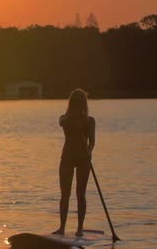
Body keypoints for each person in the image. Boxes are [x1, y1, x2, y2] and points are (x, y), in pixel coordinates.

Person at [52, 88, 95, 237]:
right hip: (67, 158)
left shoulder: (90, 121)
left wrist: (89, 152)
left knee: (80, 194)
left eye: (80, 103)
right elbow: (61, 122)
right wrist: (73, 117)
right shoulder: (65, 118)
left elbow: (92, 142)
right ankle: (62, 227)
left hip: (83, 159)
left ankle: (80, 228)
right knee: (65, 194)